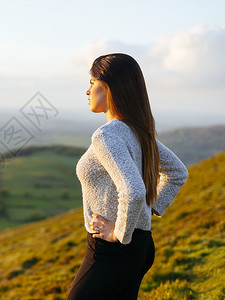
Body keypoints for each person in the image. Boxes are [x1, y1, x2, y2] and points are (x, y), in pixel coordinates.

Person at [65, 53, 189, 299]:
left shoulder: (106, 136)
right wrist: (148, 210)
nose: (87, 91)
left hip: (113, 250)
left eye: (92, 82)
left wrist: (118, 232)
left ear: (110, 88)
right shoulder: (137, 131)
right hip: (141, 245)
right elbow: (178, 173)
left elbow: (133, 191)